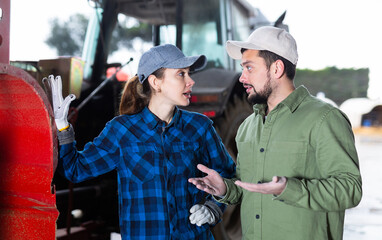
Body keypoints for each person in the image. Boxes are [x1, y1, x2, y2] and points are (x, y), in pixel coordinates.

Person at [188, 26, 362, 240]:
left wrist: (288, 189)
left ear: (277, 69)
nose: (242, 77)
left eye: (249, 68)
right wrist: (225, 189)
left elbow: (350, 189)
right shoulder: (248, 126)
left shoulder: (324, 119)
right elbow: (247, 187)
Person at [47, 44, 235, 239]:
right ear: (156, 82)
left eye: (189, 74)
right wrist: (62, 127)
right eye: (181, 74)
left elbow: (228, 173)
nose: (191, 81)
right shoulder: (121, 130)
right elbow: (75, 169)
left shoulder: (199, 127)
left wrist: (213, 206)